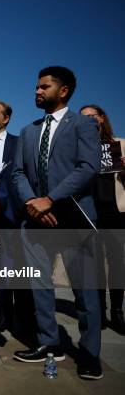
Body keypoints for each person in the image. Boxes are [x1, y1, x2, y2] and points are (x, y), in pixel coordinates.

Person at [11, 66, 103, 380]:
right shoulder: (28, 131)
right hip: (36, 221)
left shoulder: (84, 125)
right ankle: (49, 344)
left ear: (63, 91)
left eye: (44, 87)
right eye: (36, 87)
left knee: (85, 291)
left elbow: (88, 167)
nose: (37, 91)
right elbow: (18, 173)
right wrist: (33, 204)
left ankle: (90, 354)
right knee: (40, 288)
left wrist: (50, 199)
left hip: (75, 218)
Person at [0, 100, 34, 333]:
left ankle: (25, 320)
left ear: (7, 118)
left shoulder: (20, 144)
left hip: (18, 217)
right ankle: (2, 314)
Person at [80, 104, 125, 335]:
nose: (88, 120)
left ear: (102, 119)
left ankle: (117, 311)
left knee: (118, 263)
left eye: (92, 116)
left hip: (116, 212)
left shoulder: (120, 144)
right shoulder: (79, 149)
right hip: (90, 212)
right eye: (83, 117)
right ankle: (100, 311)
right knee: (94, 264)